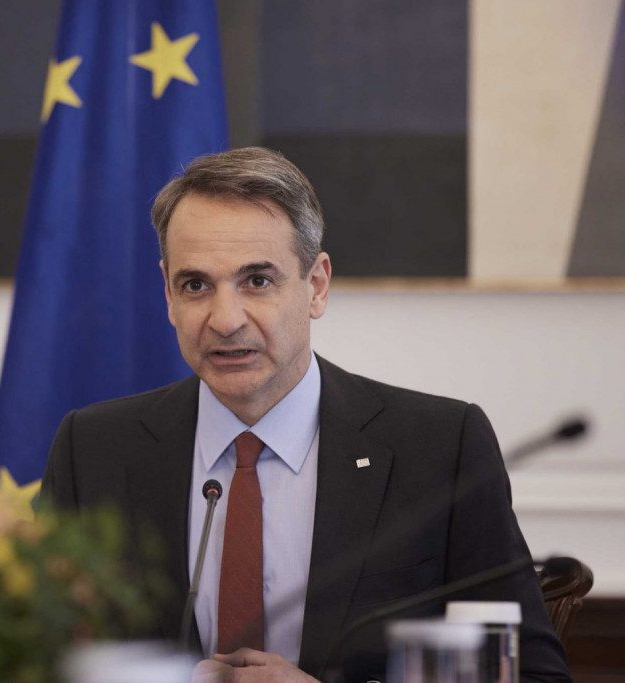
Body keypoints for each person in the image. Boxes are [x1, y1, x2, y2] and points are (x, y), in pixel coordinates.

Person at [40, 147, 570, 682]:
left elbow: (532, 677)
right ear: (168, 295)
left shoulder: (439, 448)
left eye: (257, 281)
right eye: (196, 285)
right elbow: (27, 659)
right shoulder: (93, 450)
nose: (225, 320)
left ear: (316, 285)